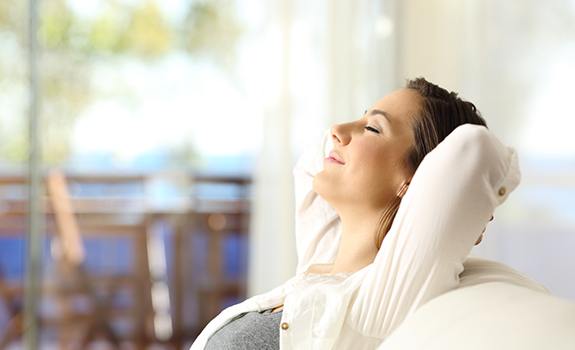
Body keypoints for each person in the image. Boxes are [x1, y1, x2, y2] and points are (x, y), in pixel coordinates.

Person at [191, 77, 521, 349]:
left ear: (417, 181)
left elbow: (475, 148)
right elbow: (309, 164)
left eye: (373, 128)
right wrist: (368, 129)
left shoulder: (382, 303)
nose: (336, 129)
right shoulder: (316, 269)